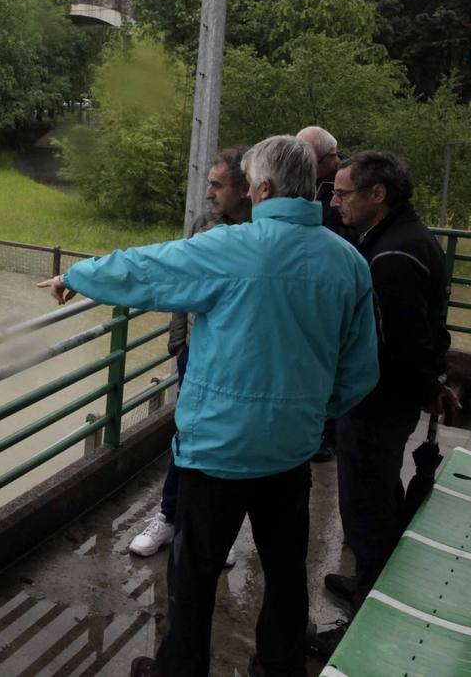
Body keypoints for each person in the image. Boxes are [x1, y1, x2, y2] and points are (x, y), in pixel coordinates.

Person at [41, 136, 379, 677]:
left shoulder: (230, 247)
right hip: (290, 451)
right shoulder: (348, 262)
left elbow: (146, 270)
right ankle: (277, 667)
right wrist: (311, 412)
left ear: (263, 188)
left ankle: (182, 669)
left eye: (247, 181)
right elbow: (360, 371)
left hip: (217, 451)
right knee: (287, 575)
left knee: (193, 576)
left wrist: (76, 276)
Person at [310, 152, 454, 658]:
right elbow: (428, 332)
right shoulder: (401, 240)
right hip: (384, 404)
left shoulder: (391, 258)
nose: (334, 201)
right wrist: (430, 382)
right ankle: (371, 583)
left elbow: (402, 344)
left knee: (366, 510)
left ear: (378, 196)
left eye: (343, 193)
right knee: (381, 496)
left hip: (374, 405)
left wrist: (427, 388)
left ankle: (361, 623)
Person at [129, 147, 251, 562]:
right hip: (196, 353)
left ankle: (220, 532)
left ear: (246, 188)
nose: (209, 194)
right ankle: (167, 516)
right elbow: (180, 280)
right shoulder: (203, 224)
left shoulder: (260, 232)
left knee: (230, 442)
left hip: (240, 358)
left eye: (217, 185)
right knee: (188, 436)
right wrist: (178, 340)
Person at [297, 125, 354, 463]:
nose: (304, 167)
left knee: (335, 361)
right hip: (304, 287)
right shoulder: (301, 182)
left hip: (333, 286)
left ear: (331, 158)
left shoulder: (350, 184)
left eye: (311, 161)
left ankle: (329, 435)